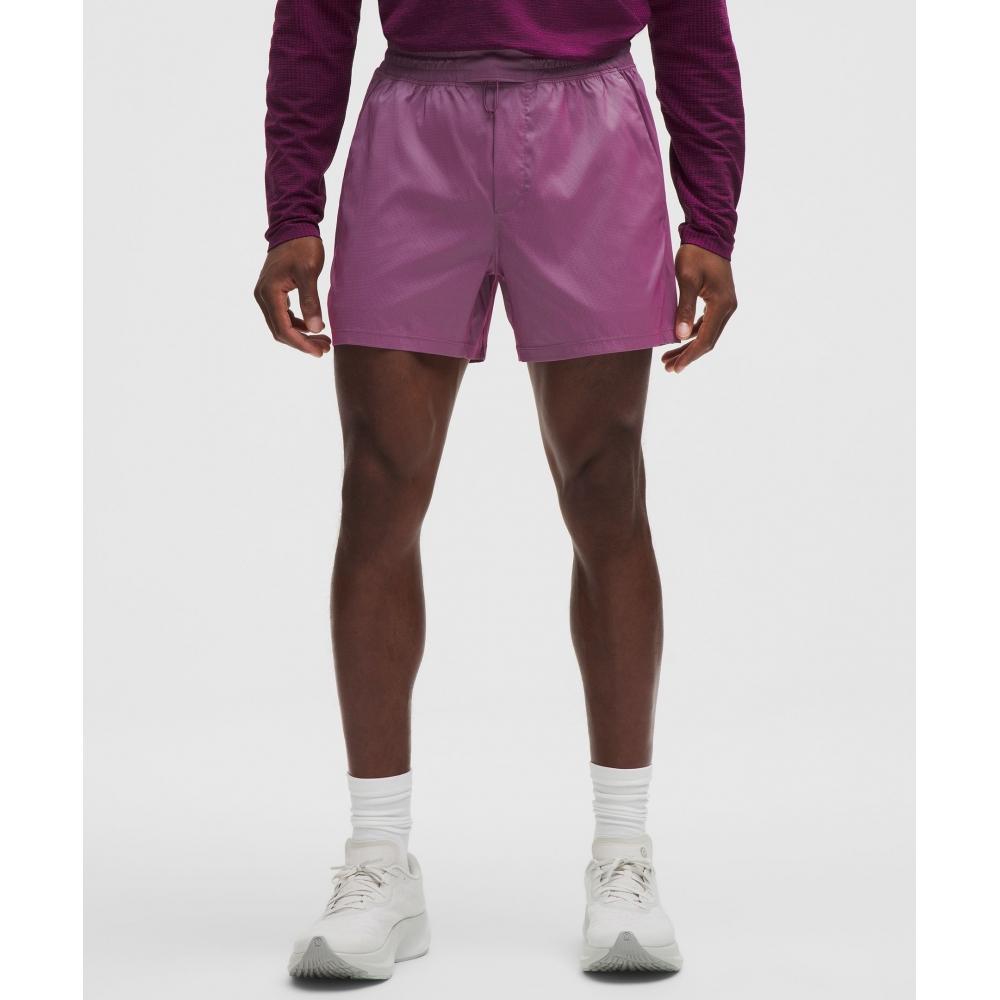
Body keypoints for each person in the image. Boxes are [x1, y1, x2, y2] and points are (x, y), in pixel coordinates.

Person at [254, 0, 743, 980]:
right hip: (413, 128)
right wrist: (292, 208)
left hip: (590, 122)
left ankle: (622, 856)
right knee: (378, 484)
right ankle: (379, 860)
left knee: (605, 484)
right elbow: (314, 16)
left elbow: (693, 24)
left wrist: (712, 218)